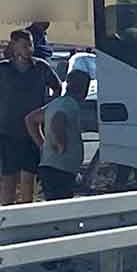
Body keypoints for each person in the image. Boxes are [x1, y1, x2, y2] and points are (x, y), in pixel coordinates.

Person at [0, 29, 61, 204]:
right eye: (25, 45)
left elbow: (58, 88)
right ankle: (6, 214)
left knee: (28, 179)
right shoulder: (2, 69)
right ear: (14, 46)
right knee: (8, 179)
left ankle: (27, 215)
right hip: (8, 131)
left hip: (32, 133)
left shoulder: (41, 67)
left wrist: (48, 113)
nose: (29, 49)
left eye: (31, 45)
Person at [25, 69, 90, 201]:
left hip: (51, 165)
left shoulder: (57, 102)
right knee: (60, 205)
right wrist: (59, 143)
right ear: (84, 89)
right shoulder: (70, 104)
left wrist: (42, 144)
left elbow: (31, 119)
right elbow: (57, 120)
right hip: (60, 168)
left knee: (54, 202)